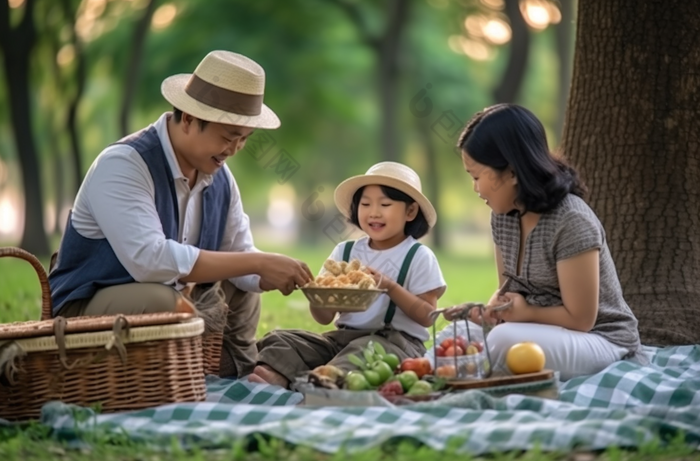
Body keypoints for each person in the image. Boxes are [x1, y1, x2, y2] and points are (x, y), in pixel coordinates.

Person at [48, 50, 313, 378]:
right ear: (188, 118)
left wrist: (272, 272)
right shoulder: (124, 164)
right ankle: (168, 375)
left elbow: (238, 252)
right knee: (162, 300)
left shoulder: (221, 178)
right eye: (229, 137)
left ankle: (232, 371)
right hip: (88, 304)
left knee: (243, 290)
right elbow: (150, 260)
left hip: (176, 296)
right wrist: (257, 263)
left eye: (245, 140)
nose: (235, 150)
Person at [455, 103, 646, 381]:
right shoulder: (503, 216)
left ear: (511, 171)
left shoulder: (570, 220)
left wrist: (526, 312)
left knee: (503, 341)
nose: (475, 188)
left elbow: (581, 319)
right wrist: (494, 309)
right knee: (456, 334)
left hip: (602, 341)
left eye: (476, 176)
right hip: (540, 332)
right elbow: (508, 291)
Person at [249, 162, 447, 387]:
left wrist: (390, 287)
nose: (374, 212)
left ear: (410, 211)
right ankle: (290, 374)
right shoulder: (345, 251)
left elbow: (428, 316)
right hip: (342, 338)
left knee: (364, 350)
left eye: (385, 204)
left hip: (395, 343)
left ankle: (322, 381)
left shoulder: (418, 256)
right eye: (365, 204)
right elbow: (323, 318)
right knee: (283, 339)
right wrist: (319, 295)